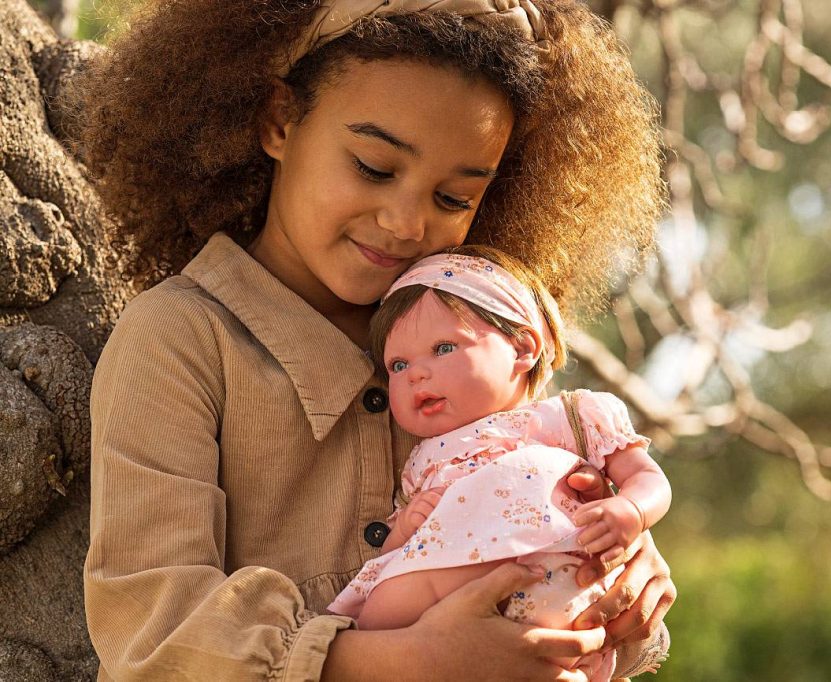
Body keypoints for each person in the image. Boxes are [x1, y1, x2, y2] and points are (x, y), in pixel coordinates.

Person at [78, 0, 674, 679]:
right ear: (279, 121)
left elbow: (560, 537)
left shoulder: (475, 337)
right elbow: (154, 625)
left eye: (453, 199)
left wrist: (626, 579)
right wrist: (414, 660)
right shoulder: (179, 340)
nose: (406, 223)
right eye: (374, 166)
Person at [326, 246, 673, 681]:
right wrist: (405, 528)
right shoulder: (421, 460)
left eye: (443, 347)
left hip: (552, 569)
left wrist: (633, 510)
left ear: (522, 348)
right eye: (398, 364)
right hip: (450, 600)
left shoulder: (569, 416)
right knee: (380, 609)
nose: (416, 373)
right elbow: (397, 553)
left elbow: (646, 476)